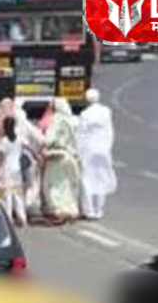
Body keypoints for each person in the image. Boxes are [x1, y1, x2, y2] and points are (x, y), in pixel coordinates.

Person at [41, 97, 83, 224]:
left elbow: (49, 139)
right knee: (67, 186)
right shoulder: (72, 120)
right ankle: (70, 210)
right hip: (70, 156)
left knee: (52, 185)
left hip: (56, 157)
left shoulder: (56, 120)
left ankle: (58, 211)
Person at [77, 88, 117, 219]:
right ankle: (99, 209)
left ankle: (89, 210)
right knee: (101, 178)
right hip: (103, 149)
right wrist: (108, 147)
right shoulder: (106, 111)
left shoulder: (85, 114)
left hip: (88, 150)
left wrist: (78, 151)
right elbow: (110, 131)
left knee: (87, 179)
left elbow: (81, 134)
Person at [0, 116, 28, 227]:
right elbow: (29, 148)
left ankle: (8, 219)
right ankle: (22, 218)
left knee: (7, 196)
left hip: (6, 169)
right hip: (17, 169)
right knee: (18, 195)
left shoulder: (3, 141)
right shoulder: (19, 139)